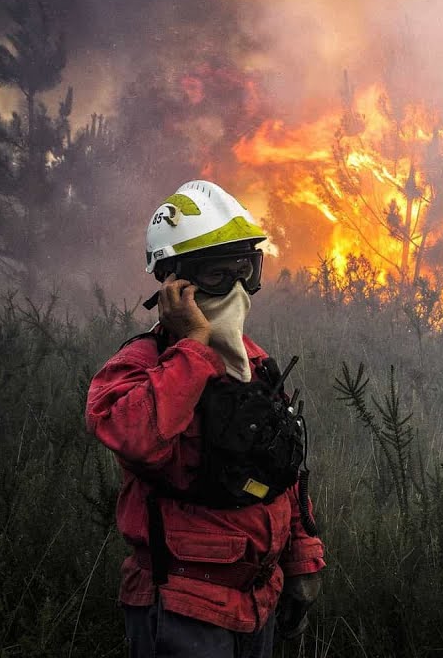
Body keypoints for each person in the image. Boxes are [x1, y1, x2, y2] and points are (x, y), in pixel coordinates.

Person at [86, 180, 325, 658]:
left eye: (245, 269)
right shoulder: (141, 365)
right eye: (217, 274)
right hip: (182, 607)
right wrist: (193, 346)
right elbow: (134, 437)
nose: (236, 288)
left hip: (258, 599)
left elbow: (284, 472)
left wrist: (300, 561)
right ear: (175, 284)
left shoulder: (255, 362)